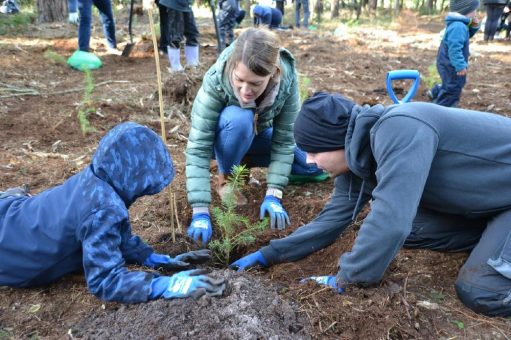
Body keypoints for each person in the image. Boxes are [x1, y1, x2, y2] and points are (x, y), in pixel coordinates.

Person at [231, 91, 511, 317]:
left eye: (315, 151)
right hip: (494, 199)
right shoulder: (357, 157)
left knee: (480, 290)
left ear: (336, 142)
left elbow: (391, 221)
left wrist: (347, 279)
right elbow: (332, 220)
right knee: (411, 231)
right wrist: (270, 254)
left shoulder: (400, 129)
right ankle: (495, 241)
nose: (309, 161)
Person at [0, 122, 226, 303]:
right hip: (11, 253)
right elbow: (105, 281)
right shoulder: (103, 209)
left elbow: (117, 235)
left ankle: (15, 195)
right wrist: (168, 285)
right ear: (136, 176)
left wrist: (152, 258)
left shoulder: (97, 179)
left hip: (16, 217)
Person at [185, 27, 328, 246]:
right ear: (232, 66)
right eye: (239, 80)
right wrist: (200, 212)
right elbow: (198, 148)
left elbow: (284, 140)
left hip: (257, 136)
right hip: (225, 137)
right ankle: (228, 178)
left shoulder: (287, 81)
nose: (245, 90)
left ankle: (249, 161)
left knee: (313, 165)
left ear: (274, 73)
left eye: (255, 84)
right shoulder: (216, 80)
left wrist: (274, 193)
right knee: (240, 119)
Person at [428, 0, 480, 108]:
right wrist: (460, 65)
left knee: (452, 83)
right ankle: (442, 110)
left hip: (448, 62)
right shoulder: (458, 26)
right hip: (451, 64)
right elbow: (454, 48)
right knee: (453, 89)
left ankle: (436, 91)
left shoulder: (459, 24)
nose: (476, 12)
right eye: (474, 10)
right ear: (466, 10)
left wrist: (474, 25)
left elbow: (464, 37)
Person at [157, 0, 200, 72]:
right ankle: (176, 68)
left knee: (192, 33)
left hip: (185, 3)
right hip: (173, 3)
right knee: (175, 36)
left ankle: (193, 64)